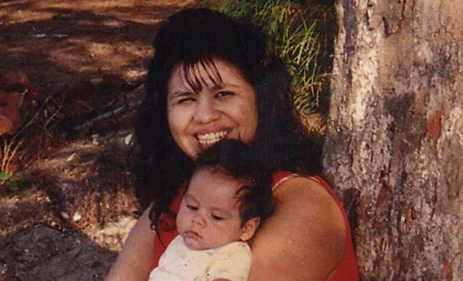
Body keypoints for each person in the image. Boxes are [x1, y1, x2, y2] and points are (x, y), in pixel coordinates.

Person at [105, 7, 359, 281]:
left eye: (224, 94)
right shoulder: (175, 202)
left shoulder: (303, 205)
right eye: (185, 99)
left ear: (260, 100)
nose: (205, 116)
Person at [148, 140, 273, 281]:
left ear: (246, 229)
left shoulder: (231, 255)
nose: (197, 220)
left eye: (216, 216)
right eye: (192, 206)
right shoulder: (181, 241)